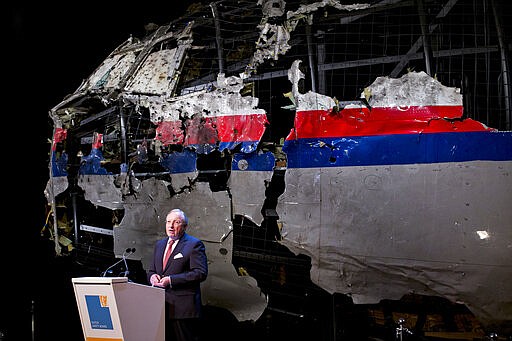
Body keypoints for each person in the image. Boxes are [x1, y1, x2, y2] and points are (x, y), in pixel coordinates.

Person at [147, 208, 208, 341]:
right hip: (160, 307)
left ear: (184, 226)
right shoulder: (160, 244)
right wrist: (152, 277)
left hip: (182, 310)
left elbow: (200, 273)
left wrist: (171, 280)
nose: (171, 225)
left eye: (176, 222)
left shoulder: (194, 245)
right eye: (168, 221)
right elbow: (152, 271)